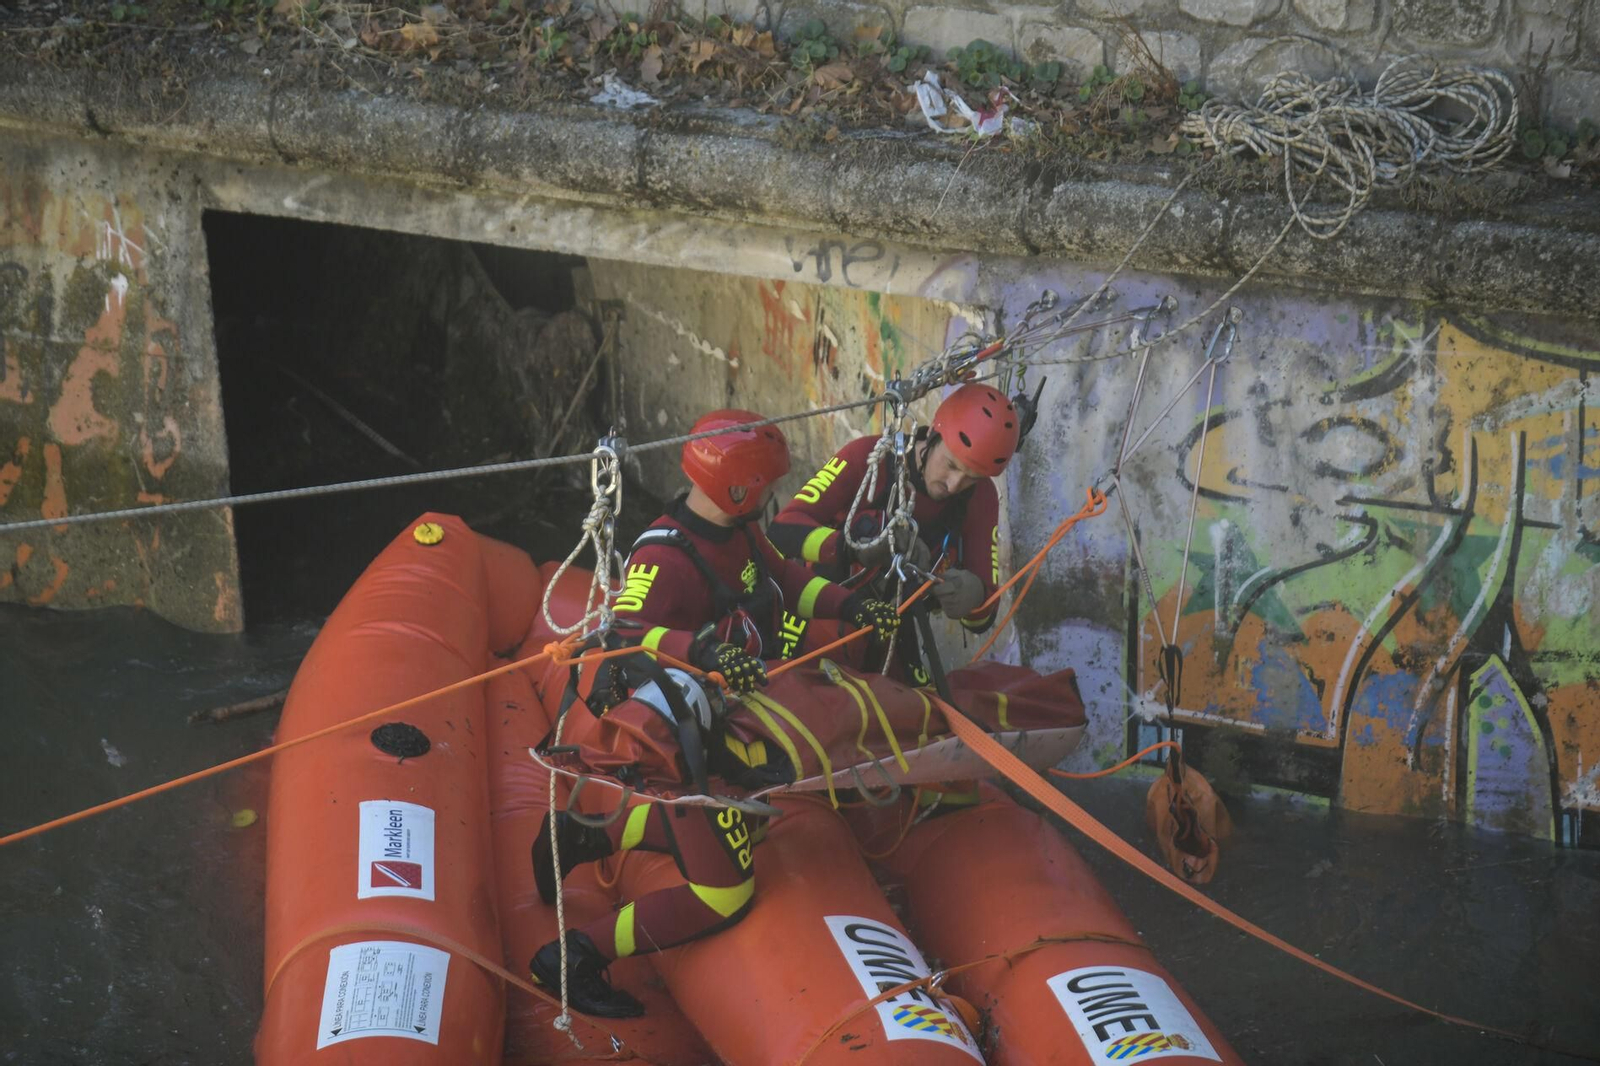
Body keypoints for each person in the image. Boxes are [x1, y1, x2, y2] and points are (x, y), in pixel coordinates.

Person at [528, 409, 900, 1017]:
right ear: (740, 489)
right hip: (684, 740)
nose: (775, 495)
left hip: (726, 723)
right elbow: (623, 633)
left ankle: (579, 837)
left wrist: (850, 606)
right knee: (723, 892)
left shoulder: (742, 531)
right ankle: (574, 958)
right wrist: (699, 650)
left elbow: (785, 581)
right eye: (768, 485)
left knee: (745, 824)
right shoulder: (663, 558)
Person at [769, 383, 1023, 684]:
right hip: (817, 619)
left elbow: (983, 617)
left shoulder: (980, 498)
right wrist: (851, 547)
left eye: (971, 478)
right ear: (933, 435)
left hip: (891, 635)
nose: (954, 485)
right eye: (951, 465)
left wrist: (973, 595)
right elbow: (781, 530)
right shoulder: (868, 458)